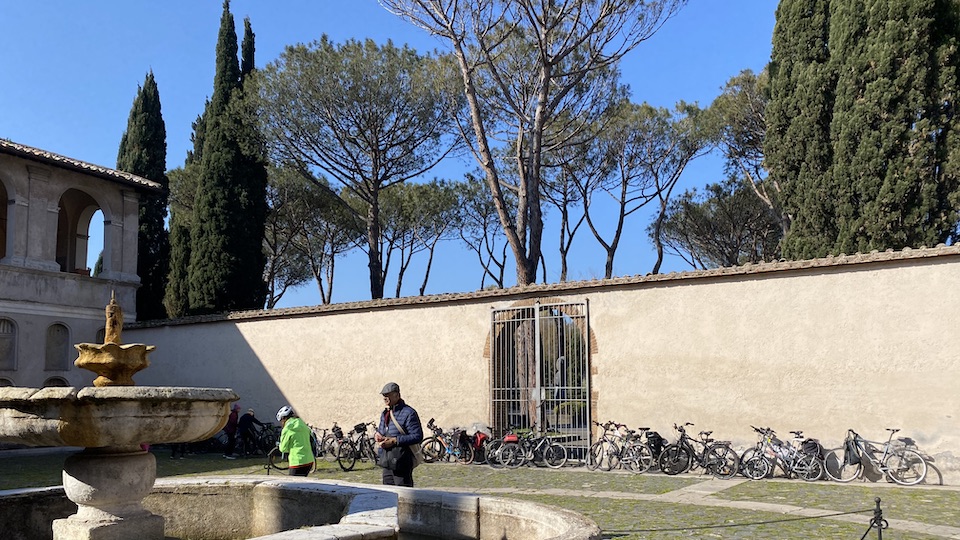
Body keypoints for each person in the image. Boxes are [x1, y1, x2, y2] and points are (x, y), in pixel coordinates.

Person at [375, 382, 423, 487]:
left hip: (402, 461)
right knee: (387, 494)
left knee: (403, 494)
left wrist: (395, 441)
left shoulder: (409, 413)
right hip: (387, 460)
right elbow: (381, 430)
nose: (385, 398)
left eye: (388, 395)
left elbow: (417, 436)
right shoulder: (385, 413)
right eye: (384, 395)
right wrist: (378, 435)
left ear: (397, 395)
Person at [276, 406, 314, 476]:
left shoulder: (287, 429)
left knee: (293, 485)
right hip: (309, 460)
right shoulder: (302, 424)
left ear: (284, 419)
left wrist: (279, 445)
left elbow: (283, 449)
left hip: (297, 461)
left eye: (281, 421)